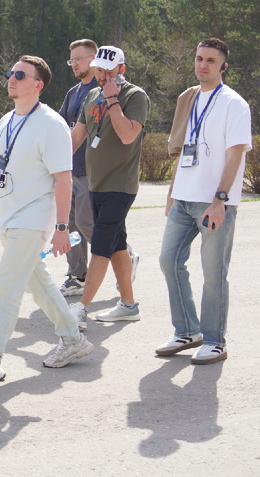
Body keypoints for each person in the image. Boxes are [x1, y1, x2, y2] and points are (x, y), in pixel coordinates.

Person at [0, 56, 93, 386]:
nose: (12, 78)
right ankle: (74, 339)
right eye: (10, 73)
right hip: (9, 219)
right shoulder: (6, 121)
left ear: (38, 85)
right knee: (40, 285)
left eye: (20, 75)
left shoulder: (51, 125)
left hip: (33, 222)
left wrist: (62, 228)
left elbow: (64, 180)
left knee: (5, 292)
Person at [158, 38, 252, 365]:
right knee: (168, 260)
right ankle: (187, 331)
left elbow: (236, 153)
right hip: (183, 199)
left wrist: (220, 200)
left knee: (213, 273)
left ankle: (214, 340)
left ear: (224, 66)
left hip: (213, 203)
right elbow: (185, 148)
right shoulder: (189, 99)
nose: (203, 65)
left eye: (211, 60)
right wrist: (172, 194)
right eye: (199, 58)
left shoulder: (233, 104)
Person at [66, 45, 149, 328]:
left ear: (122, 70)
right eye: (99, 70)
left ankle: (81, 308)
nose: (102, 76)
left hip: (120, 184)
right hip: (95, 182)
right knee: (117, 245)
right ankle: (128, 305)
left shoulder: (134, 96)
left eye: (108, 71)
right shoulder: (91, 95)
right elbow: (77, 136)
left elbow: (127, 135)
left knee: (101, 244)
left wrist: (113, 101)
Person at [57, 39, 99, 298]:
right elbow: (61, 127)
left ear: (93, 58)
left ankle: (123, 255)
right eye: (71, 60)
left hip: (91, 169)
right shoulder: (73, 93)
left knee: (86, 222)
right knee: (69, 224)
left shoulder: (103, 89)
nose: (74, 64)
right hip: (70, 170)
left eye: (79, 59)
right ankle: (77, 274)